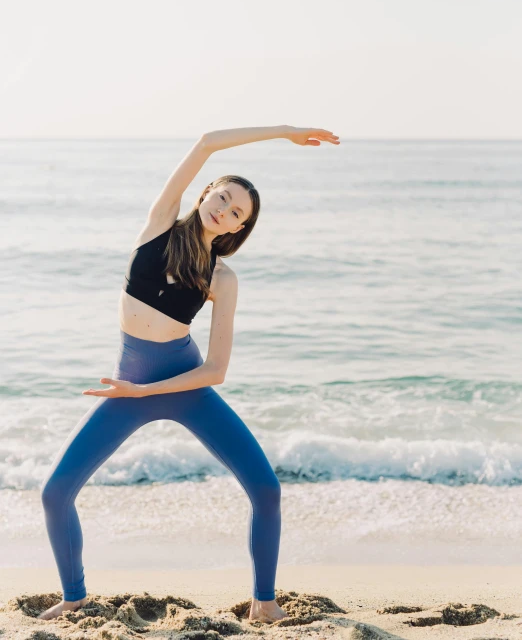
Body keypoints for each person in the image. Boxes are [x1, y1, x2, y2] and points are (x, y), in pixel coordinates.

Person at [38, 125, 340, 623]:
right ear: (205, 193)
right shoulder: (158, 225)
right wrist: (286, 132)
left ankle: (264, 604)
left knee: (266, 489)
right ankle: (74, 598)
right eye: (222, 196)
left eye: (237, 212)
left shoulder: (222, 278)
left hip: (182, 387)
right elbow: (206, 141)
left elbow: (216, 371)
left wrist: (145, 391)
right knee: (55, 492)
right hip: (128, 386)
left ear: (238, 229)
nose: (224, 208)